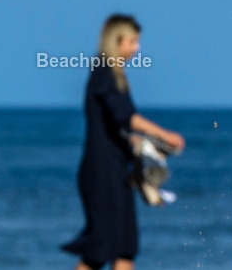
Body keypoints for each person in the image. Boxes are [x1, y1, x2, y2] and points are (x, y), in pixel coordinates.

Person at [61, 15, 185, 270]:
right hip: (102, 173)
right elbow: (128, 117)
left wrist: (137, 143)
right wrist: (166, 135)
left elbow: (116, 124)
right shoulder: (104, 72)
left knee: (124, 247)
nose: (137, 48)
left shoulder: (113, 74)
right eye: (133, 41)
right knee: (102, 249)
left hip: (116, 171)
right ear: (115, 41)